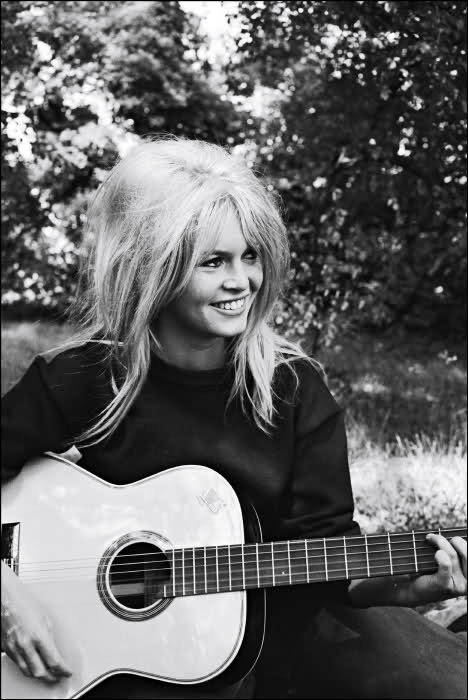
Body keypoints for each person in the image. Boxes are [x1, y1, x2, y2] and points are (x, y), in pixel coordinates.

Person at [1, 137, 466, 700]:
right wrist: (9, 597)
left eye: (251, 256)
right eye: (213, 261)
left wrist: (405, 589)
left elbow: (332, 557)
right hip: (140, 646)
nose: (242, 281)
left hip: (288, 624)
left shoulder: (294, 388)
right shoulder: (81, 377)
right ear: (151, 267)